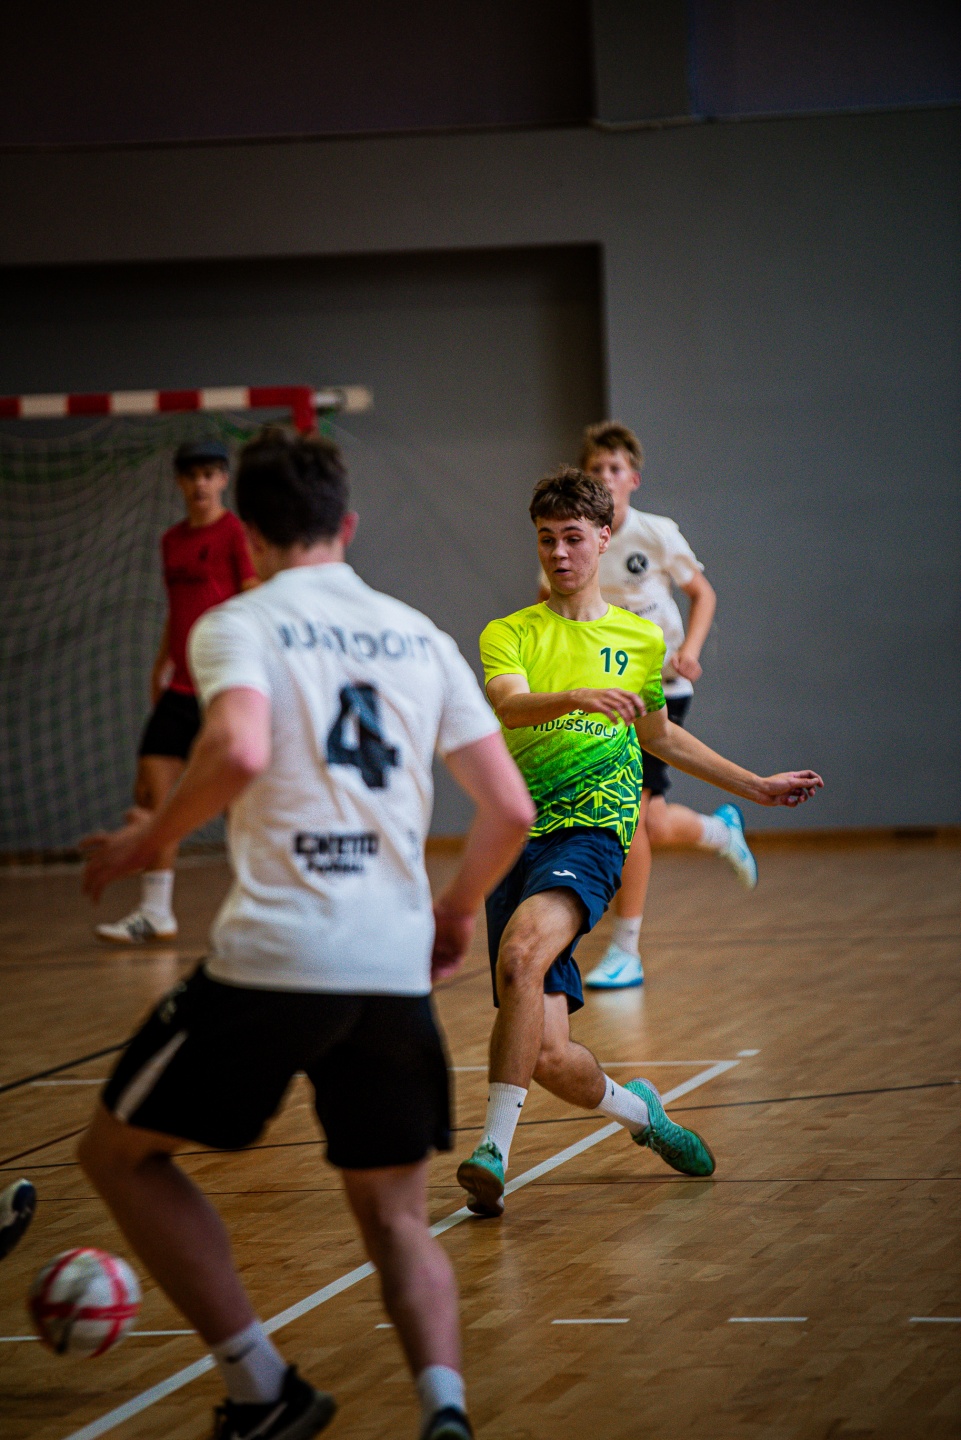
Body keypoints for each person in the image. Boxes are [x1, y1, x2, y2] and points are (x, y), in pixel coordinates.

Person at [79, 429, 534, 1440]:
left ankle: (263, 1389)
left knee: (117, 1156)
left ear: (248, 531)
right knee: (397, 1219)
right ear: (348, 525)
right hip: (391, 968)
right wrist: (455, 909)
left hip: (275, 963)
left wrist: (146, 838)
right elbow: (508, 807)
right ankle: (445, 1411)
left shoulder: (239, 623)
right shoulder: (420, 635)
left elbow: (239, 747)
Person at [456, 466, 822, 1219]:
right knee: (547, 1054)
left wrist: (754, 785)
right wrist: (576, 695)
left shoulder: (638, 636)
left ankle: (490, 1152)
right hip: (520, 836)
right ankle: (642, 1115)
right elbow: (511, 707)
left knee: (522, 955)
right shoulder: (510, 633)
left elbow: (659, 735)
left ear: (603, 538)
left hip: (592, 831)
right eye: (546, 539)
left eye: (572, 538)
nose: (559, 553)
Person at [539, 423, 757, 991]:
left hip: (659, 687)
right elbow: (550, 603)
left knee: (633, 815)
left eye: (615, 469)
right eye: (596, 469)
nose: (605, 477)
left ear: (632, 479)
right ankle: (719, 830)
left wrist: (690, 651)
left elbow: (701, 593)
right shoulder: (571, 541)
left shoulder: (656, 534)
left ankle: (626, 949)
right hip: (601, 691)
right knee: (652, 822)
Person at [96, 438, 258, 945]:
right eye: (191, 476)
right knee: (151, 793)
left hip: (222, 687)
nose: (200, 484)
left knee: (237, 803)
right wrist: (162, 661)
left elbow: (253, 600)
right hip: (181, 687)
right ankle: (155, 912)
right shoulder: (171, 540)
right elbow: (178, 607)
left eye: (209, 474)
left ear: (224, 479)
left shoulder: (236, 534)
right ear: (179, 482)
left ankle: (258, 907)